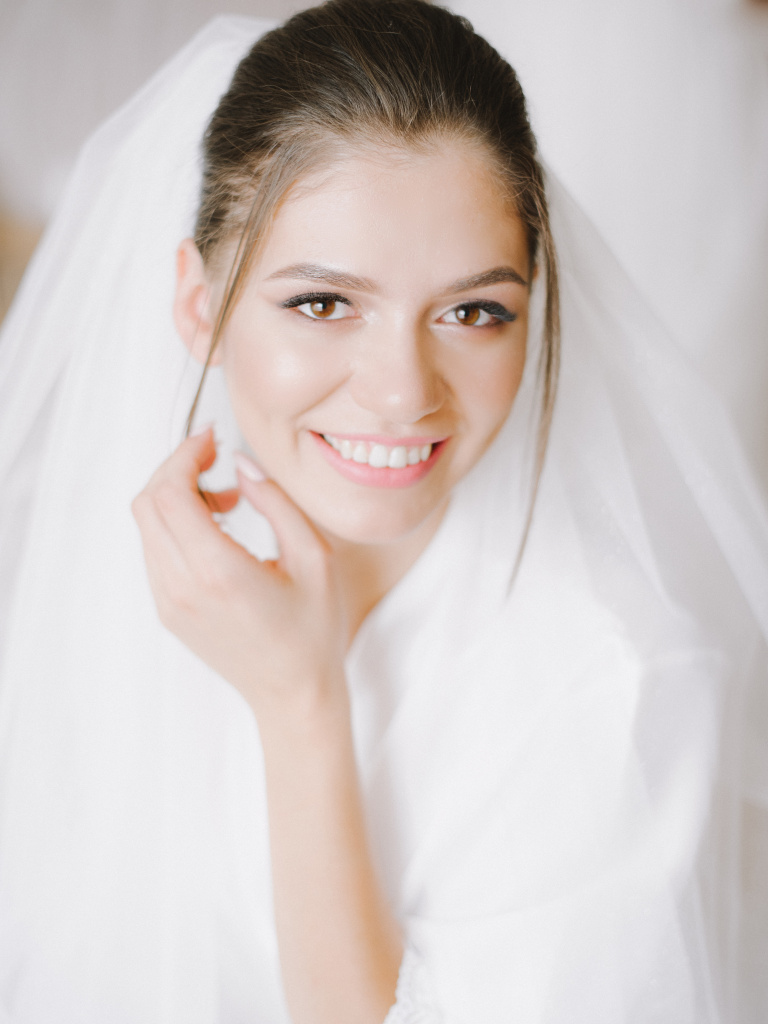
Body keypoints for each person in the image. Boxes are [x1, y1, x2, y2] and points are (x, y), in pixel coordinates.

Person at [0, 2, 766, 1022]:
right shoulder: (89, 552)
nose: (404, 392)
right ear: (198, 305)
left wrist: (300, 700)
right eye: (323, 304)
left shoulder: (611, 689)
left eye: (473, 311)